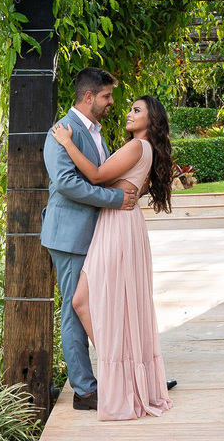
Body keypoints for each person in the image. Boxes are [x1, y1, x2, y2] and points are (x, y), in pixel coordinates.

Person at [50, 92, 175, 421]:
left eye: (137, 110)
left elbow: (96, 176)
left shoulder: (137, 145)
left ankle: (124, 375)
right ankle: (131, 374)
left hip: (117, 225)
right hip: (118, 223)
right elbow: (129, 182)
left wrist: (67, 142)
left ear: (152, 119)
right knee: (113, 303)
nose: (129, 113)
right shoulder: (144, 148)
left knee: (84, 301)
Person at [41, 68, 138, 413]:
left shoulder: (93, 131)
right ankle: (85, 390)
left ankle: (132, 376)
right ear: (88, 97)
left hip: (93, 233)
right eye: (107, 96)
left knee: (101, 305)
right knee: (75, 309)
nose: (112, 103)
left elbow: (102, 175)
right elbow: (67, 183)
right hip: (69, 235)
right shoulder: (62, 132)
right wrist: (115, 200)